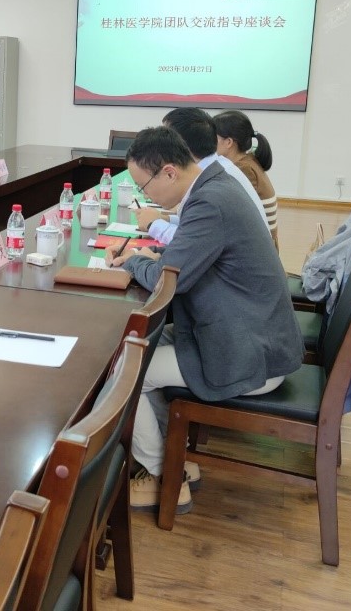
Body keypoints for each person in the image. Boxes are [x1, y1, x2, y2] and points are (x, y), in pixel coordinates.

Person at [105, 127, 303, 512]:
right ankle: (171, 459)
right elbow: (179, 263)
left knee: (123, 373)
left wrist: (132, 263)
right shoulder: (215, 186)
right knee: (138, 349)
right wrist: (147, 261)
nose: (146, 197)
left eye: (144, 187)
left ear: (169, 172)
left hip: (248, 352)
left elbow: (169, 279)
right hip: (245, 333)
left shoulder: (210, 202)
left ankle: (164, 476)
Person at [132, 108, 267, 243]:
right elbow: (198, 225)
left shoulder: (213, 183)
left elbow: (191, 242)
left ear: (181, 146)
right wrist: (165, 219)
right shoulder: (215, 167)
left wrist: (154, 225)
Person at [213, 109, 279, 245]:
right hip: (260, 240)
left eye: (214, 137)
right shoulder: (248, 160)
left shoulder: (242, 169)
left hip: (258, 244)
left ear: (229, 142)